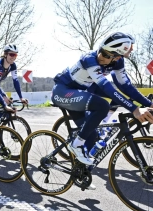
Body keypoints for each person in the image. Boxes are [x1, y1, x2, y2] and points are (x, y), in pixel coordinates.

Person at [51, 32, 153, 184]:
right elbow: (106, 87)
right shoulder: (89, 59)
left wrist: (148, 104)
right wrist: (135, 109)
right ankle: (76, 144)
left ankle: (80, 171)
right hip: (63, 91)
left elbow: (125, 86)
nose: (120, 59)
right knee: (102, 105)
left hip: (81, 92)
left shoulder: (116, 62)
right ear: (113, 53)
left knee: (92, 135)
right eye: (118, 56)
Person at [102, 33, 153, 123]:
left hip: (92, 84)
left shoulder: (118, 60)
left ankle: (103, 126)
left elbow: (125, 85)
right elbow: (124, 86)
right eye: (130, 46)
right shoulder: (112, 57)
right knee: (116, 98)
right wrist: (148, 104)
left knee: (117, 98)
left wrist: (147, 103)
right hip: (80, 87)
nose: (132, 49)